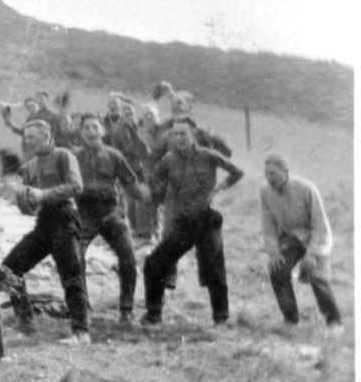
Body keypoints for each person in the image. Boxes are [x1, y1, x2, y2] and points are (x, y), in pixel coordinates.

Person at [142, 118, 244, 326]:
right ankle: (153, 314)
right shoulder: (169, 159)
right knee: (154, 264)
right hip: (184, 223)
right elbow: (153, 180)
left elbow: (237, 172)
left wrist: (219, 187)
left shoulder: (208, 155)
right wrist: (154, 193)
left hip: (206, 220)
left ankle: (220, 318)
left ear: (193, 135)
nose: (179, 138)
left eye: (183, 134)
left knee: (214, 269)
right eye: (175, 134)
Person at [1, 119, 90, 344]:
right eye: (26, 137)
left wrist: (42, 194)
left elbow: (76, 187)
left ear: (46, 136)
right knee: (10, 268)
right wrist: (17, 196)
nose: (27, 141)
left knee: (71, 276)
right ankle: (26, 323)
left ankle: (81, 332)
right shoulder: (31, 165)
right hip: (44, 223)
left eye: (32, 137)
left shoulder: (63, 155)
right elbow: (30, 207)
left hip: (65, 218)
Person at [73, 113, 144, 324]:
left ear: (102, 131)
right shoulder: (73, 157)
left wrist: (123, 210)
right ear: (81, 133)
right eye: (86, 128)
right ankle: (81, 305)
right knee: (74, 257)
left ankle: (126, 310)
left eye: (95, 127)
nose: (91, 132)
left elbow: (131, 186)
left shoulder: (114, 156)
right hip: (84, 214)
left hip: (110, 212)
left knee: (128, 257)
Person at [259, 154, 341, 333]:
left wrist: (312, 254)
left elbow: (320, 225)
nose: (270, 179)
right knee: (277, 269)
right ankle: (290, 320)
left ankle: (334, 322)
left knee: (317, 276)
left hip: (315, 238)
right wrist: (273, 252)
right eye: (267, 174)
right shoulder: (265, 191)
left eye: (274, 174)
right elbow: (268, 225)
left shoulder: (306, 188)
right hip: (292, 239)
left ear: (285, 172)